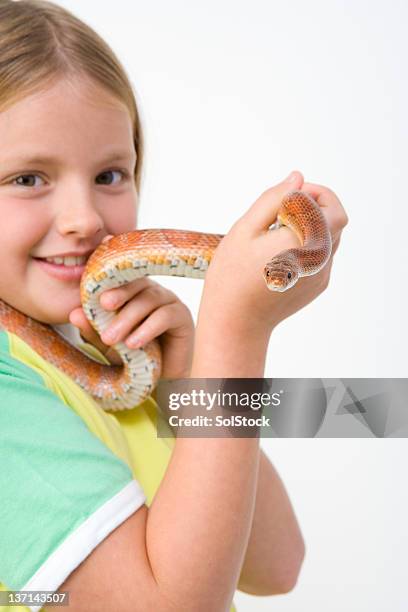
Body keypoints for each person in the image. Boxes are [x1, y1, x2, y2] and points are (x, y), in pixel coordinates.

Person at [0, 1, 348, 611]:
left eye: (111, 175)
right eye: (28, 178)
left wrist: (188, 377)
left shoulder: (109, 351)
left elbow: (276, 564)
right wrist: (234, 337)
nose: (84, 219)